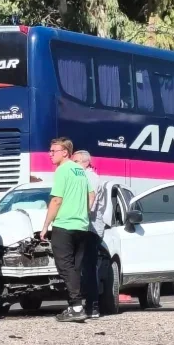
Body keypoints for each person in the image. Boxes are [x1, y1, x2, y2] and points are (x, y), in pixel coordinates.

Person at [40, 138, 95, 322]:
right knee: (75, 268)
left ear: (65, 152)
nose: (50, 154)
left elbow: (56, 200)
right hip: (82, 225)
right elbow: (91, 195)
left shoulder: (62, 170)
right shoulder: (81, 170)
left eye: (53, 151)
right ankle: (76, 306)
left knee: (65, 267)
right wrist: (83, 212)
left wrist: (45, 225)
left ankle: (77, 306)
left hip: (64, 225)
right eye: (50, 150)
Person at [72, 150, 107, 319]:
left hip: (90, 228)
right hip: (84, 226)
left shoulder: (90, 177)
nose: (74, 164)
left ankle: (92, 306)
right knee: (82, 268)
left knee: (88, 268)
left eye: (76, 161)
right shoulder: (83, 176)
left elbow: (89, 201)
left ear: (86, 162)